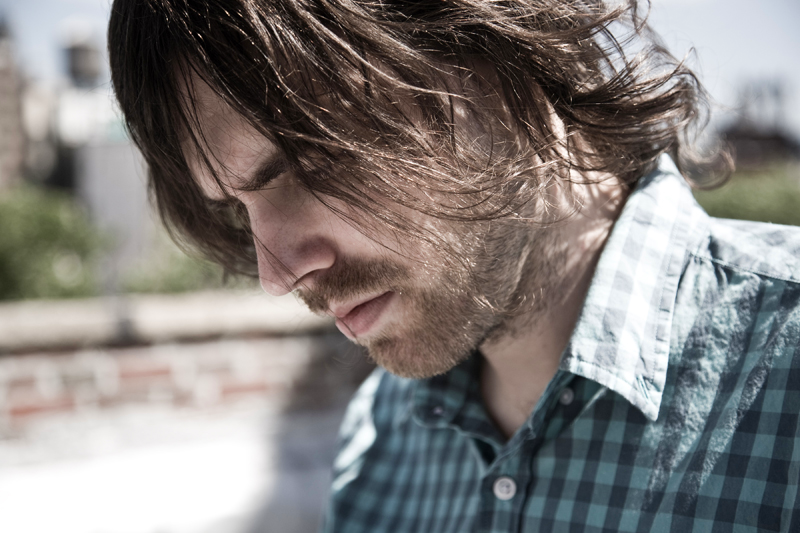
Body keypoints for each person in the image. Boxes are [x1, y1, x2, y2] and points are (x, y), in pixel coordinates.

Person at [108, 0, 800, 530]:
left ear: (495, 42)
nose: (276, 273)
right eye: (239, 209)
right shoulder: (380, 438)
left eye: (306, 162)